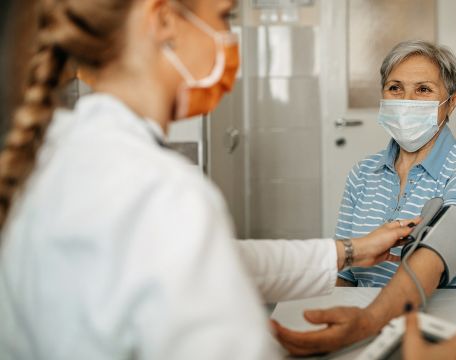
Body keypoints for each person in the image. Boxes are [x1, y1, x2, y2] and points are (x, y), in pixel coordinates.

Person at [0, 0, 418, 358]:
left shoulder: (57, 154)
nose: (229, 41)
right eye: (223, 17)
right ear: (162, 20)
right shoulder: (162, 192)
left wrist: (351, 250)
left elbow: (210, 260)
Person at [273, 41, 456, 355]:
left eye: (423, 90)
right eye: (395, 88)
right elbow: (345, 273)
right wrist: (329, 325)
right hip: (366, 327)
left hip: (451, 333)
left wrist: (368, 321)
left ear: (451, 103)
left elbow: (438, 251)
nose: (407, 101)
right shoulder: (362, 173)